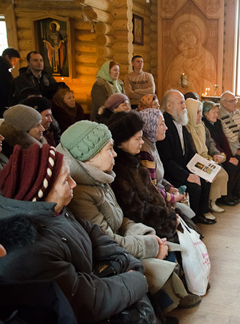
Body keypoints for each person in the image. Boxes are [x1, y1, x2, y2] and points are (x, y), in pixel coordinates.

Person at [57, 120, 200, 317]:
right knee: (154, 261)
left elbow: (119, 218)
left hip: (120, 241)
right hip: (108, 254)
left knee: (168, 245)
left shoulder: (100, 177)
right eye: (109, 149)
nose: (115, 153)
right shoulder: (81, 192)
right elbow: (105, 241)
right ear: (90, 156)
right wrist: (150, 245)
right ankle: (165, 308)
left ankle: (170, 303)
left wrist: (147, 234)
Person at [0, 143, 149, 322]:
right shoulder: (30, 250)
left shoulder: (52, 210)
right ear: (41, 191)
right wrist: (135, 279)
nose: (74, 184)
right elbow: (85, 300)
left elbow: (93, 233)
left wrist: (125, 261)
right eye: (65, 180)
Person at [157, 90, 215, 225]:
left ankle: (200, 213)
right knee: (194, 187)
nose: (185, 106)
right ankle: (190, 222)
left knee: (205, 179)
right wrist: (187, 176)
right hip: (170, 174)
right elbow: (166, 161)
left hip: (182, 167)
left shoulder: (180, 122)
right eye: (181, 103)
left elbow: (189, 153)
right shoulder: (165, 126)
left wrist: (205, 169)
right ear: (169, 106)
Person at [138, 108, 197, 220]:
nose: (166, 127)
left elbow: (159, 180)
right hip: (156, 202)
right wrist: (173, 198)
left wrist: (169, 187)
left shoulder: (152, 144)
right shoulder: (146, 153)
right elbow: (152, 189)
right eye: (161, 125)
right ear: (151, 126)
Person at [186, 98, 234, 217]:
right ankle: (205, 208)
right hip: (196, 161)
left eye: (200, 112)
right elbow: (191, 152)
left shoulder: (202, 127)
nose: (199, 115)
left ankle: (213, 201)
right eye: (197, 112)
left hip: (207, 158)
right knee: (211, 177)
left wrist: (216, 154)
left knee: (223, 174)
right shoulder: (187, 129)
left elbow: (211, 143)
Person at [203, 100, 240, 204]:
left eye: (217, 112)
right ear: (206, 113)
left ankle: (230, 192)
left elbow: (224, 141)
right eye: (213, 112)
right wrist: (227, 157)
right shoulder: (205, 125)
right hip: (214, 155)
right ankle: (224, 196)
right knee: (231, 167)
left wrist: (230, 156)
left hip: (222, 154)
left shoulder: (218, 123)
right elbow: (214, 144)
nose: (216, 115)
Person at [166, 21, 216, 93]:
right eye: (182, 39)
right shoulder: (178, 58)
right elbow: (169, 81)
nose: (186, 41)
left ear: (197, 35)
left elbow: (211, 86)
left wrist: (196, 76)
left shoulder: (207, 57)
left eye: (188, 36)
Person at [0, 48, 20, 116]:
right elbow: (6, 90)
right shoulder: (4, 72)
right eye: (14, 60)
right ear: (7, 57)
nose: (14, 63)